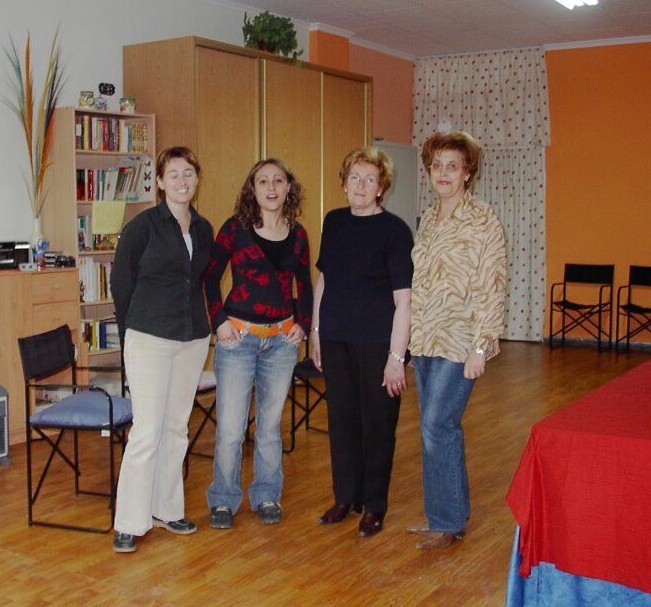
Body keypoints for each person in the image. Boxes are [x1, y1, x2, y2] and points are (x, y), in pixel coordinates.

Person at [109, 146, 214, 554]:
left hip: (191, 338)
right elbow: (122, 284)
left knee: (175, 428)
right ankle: (130, 521)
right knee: (147, 431)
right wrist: (128, 338)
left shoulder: (203, 229)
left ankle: (167, 509)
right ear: (159, 182)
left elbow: (202, 282)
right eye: (174, 174)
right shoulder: (143, 227)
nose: (182, 181)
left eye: (188, 173)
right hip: (149, 336)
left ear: (196, 179)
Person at [406, 130, 507, 550]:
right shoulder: (428, 220)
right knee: (437, 430)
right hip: (426, 340)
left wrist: (481, 346)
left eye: (452, 166)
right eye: (436, 166)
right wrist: (409, 343)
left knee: (437, 425)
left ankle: (447, 521)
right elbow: (420, 283)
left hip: (460, 340)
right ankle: (445, 516)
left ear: (468, 173)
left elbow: (493, 284)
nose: (443, 173)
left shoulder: (484, 221)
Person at [203, 158, 313, 529]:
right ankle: (223, 499)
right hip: (238, 339)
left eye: (278, 180)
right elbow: (210, 279)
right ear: (253, 189)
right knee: (231, 428)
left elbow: (305, 285)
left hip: (281, 342)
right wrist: (218, 323)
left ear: (287, 188)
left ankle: (267, 495)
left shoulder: (298, 234)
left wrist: (303, 324)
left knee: (269, 427)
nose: (270, 187)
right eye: (262, 181)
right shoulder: (234, 230)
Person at [310, 146, 413, 538]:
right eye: (354, 177)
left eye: (370, 179)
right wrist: (316, 332)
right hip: (335, 338)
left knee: (377, 425)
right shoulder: (334, 222)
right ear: (344, 182)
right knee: (342, 422)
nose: (360, 185)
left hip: (376, 343)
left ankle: (374, 505)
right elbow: (324, 280)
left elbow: (403, 301)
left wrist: (396, 357)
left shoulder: (395, 231)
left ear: (381, 187)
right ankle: (345, 498)